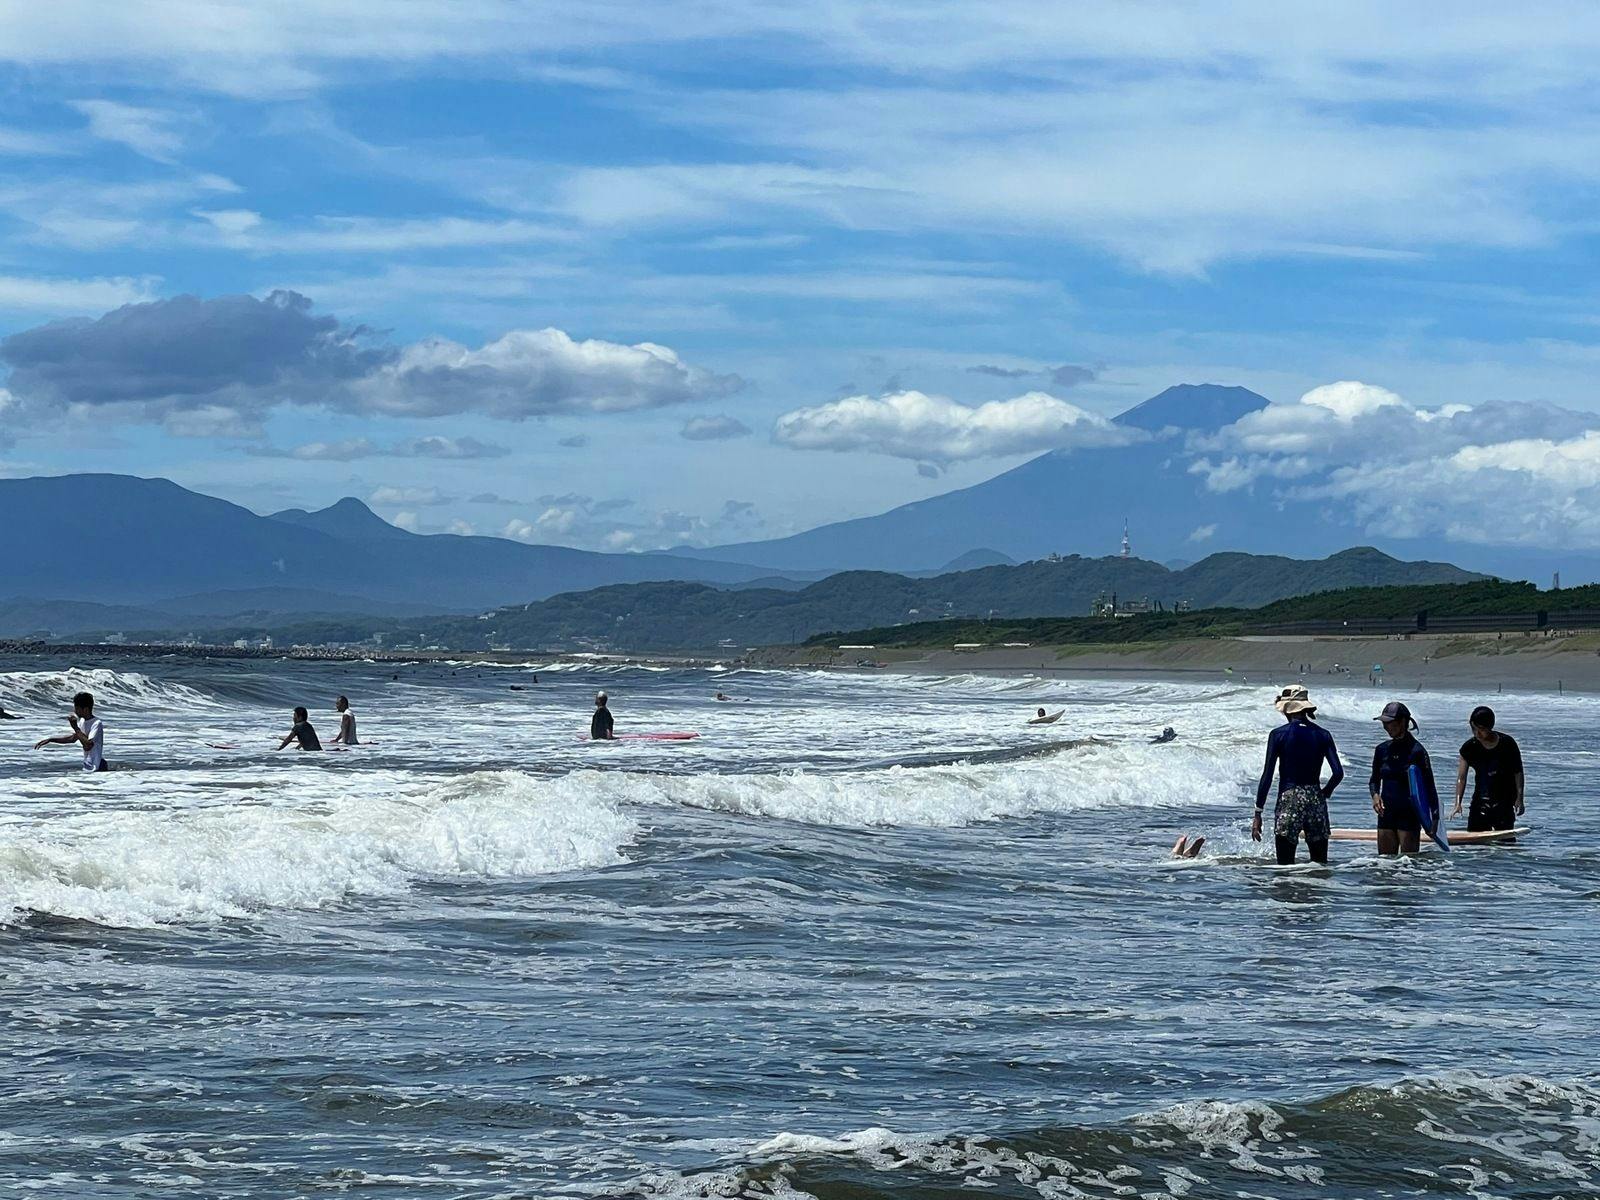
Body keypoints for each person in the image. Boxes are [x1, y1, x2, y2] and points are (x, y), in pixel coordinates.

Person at [1253, 685, 1343, 864]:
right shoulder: (1323, 734)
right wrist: (1325, 792)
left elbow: (1268, 775)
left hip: (1290, 798)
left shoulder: (1278, 734)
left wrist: (1258, 812)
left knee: (1285, 866)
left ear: (1287, 709)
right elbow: (1338, 773)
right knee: (1319, 865)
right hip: (1315, 798)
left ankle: (1287, 891)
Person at [1370, 700, 1435, 855]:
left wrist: (1435, 819)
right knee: (1384, 866)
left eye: (1389, 723)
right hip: (1386, 814)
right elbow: (1374, 780)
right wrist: (1375, 795)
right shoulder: (1382, 750)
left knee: (1409, 867)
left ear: (1402, 722)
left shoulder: (1417, 751)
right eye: (1384, 723)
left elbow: (1429, 786)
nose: (1385, 727)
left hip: (1409, 815)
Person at [1453, 705, 1525, 830]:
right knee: (1476, 846)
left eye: (1481, 729)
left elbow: (1518, 772)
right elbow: (1462, 778)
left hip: (1504, 802)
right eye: (1473, 729)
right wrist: (1458, 803)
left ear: (1490, 726)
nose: (1477, 734)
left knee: (1506, 844)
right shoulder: (1469, 748)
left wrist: (1520, 798)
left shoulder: (1507, 744)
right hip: (1480, 802)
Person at [33, 690, 107, 772]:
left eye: (77, 709)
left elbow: (88, 745)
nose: (75, 711)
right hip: (89, 765)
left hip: (96, 766)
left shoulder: (96, 723)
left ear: (85, 709)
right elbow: (73, 738)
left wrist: (75, 727)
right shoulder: (82, 722)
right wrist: (51, 739)